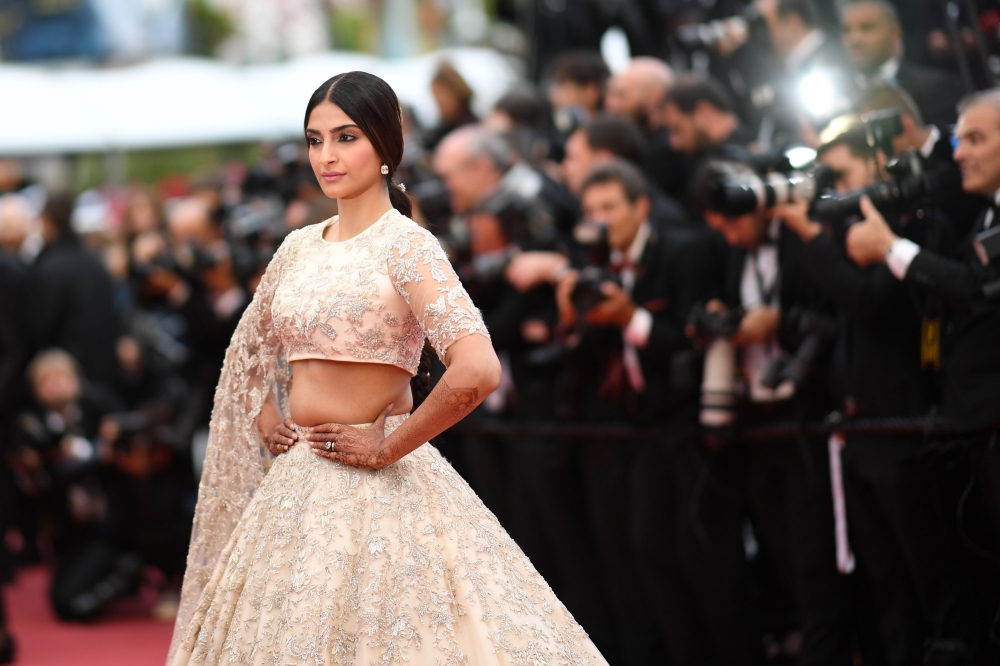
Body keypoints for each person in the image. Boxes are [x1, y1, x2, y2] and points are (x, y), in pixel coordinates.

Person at [167, 71, 609, 666]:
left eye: (345, 137)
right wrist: (267, 415)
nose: (326, 156)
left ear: (384, 147)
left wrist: (388, 447)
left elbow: (477, 368)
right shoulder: (297, 247)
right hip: (294, 491)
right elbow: (247, 352)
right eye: (315, 140)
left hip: (383, 491)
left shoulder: (408, 246)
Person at [779, 122, 976, 664]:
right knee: (887, 587)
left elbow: (870, 303)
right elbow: (817, 313)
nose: (833, 190)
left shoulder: (916, 226)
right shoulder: (841, 238)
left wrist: (812, 240)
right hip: (858, 432)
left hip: (906, 431)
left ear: (879, 164)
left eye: (842, 176)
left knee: (935, 584)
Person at [554, 160, 722, 665]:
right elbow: (586, 361)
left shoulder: (682, 252)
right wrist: (571, 319)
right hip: (633, 428)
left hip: (690, 426)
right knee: (639, 552)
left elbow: (693, 346)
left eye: (610, 207)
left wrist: (632, 317)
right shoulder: (598, 265)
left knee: (700, 558)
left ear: (641, 206)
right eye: (591, 211)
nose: (600, 220)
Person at [845, 89, 1000, 539]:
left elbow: (978, 290)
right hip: (977, 420)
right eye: (958, 141)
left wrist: (890, 248)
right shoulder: (987, 214)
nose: (959, 153)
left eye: (975, 139)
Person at [28, 193, 120, 391]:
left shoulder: (49, 268)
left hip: (63, 379)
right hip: (101, 372)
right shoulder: (94, 263)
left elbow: (42, 327)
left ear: (48, 221)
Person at [841, 0, 965, 128]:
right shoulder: (840, 96)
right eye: (847, 30)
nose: (854, 39)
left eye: (867, 28)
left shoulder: (934, 88)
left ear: (895, 33)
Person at [562, 114, 691, 229]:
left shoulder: (663, 225)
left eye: (572, 158)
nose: (564, 167)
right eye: (589, 212)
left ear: (603, 160)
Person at [604, 57, 691, 201]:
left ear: (656, 97)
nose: (610, 104)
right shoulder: (640, 140)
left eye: (621, 95)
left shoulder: (670, 148)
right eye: (610, 94)